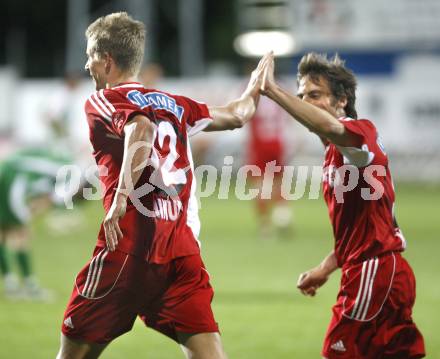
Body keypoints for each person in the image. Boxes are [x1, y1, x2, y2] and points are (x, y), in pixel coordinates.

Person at [57, 12, 269, 359]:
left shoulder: (103, 100)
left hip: (129, 247)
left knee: (74, 354)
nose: (87, 64)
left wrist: (121, 198)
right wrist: (259, 85)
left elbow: (141, 129)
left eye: (90, 56)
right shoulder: (176, 105)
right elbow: (238, 114)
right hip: (182, 252)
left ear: (107, 61)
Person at [260, 52, 425, 358]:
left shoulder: (359, 133)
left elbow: (334, 129)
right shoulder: (337, 153)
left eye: (315, 95)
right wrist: (325, 268)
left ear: (342, 101)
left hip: (372, 273)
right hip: (386, 272)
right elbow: (371, 227)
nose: (305, 102)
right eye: (301, 95)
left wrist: (273, 91)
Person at [0, 147, 71, 300]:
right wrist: (28, 216)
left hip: (6, 171)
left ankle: (10, 283)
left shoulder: (58, 164)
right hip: (12, 177)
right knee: (21, 232)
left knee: (4, 231)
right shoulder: (68, 175)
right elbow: (49, 199)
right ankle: (29, 286)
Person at [246, 94, 294, 239]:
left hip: (259, 145)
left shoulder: (251, 92)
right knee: (278, 184)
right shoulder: (278, 90)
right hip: (277, 144)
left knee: (259, 185)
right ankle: (282, 216)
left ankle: (265, 226)